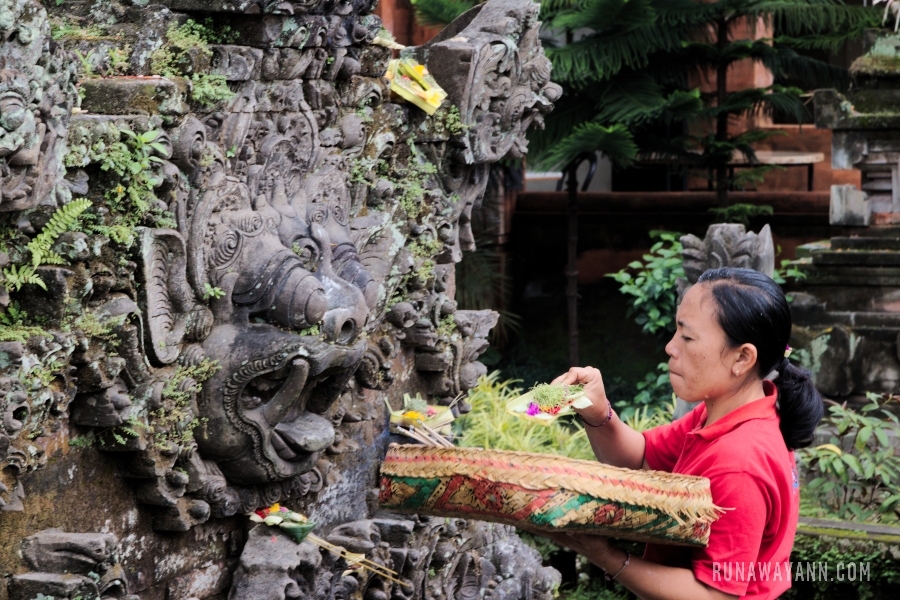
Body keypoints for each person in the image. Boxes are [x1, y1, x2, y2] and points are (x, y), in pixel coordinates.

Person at [546, 267, 823, 600]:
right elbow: (641, 459)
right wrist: (597, 412)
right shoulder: (721, 412)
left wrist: (607, 556)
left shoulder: (740, 462)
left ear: (743, 357)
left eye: (687, 338)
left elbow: (716, 595)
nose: (670, 348)